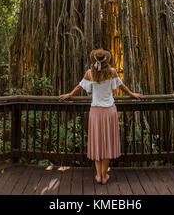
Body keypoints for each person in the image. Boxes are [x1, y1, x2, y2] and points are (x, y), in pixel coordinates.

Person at [59, 48, 143, 184]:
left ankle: (98, 176)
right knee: (108, 143)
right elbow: (122, 86)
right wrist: (132, 94)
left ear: (95, 60)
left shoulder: (89, 73)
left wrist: (69, 94)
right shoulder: (112, 72)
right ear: (106, 60)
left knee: (97, 143)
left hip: (96, 113)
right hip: (109, 111)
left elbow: (79, 87)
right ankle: (104, 176)